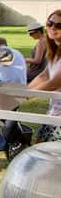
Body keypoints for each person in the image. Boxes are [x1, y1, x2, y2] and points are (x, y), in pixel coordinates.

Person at [29, 10, 61, 141]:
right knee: (39, 145)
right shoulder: (55, 51)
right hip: (54, 112)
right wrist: (22, 92)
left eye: (59, 26)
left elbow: (54, 83)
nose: (53, 28)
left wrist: (25, 96)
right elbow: (45, 76)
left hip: (59, 119)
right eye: (50, 23)